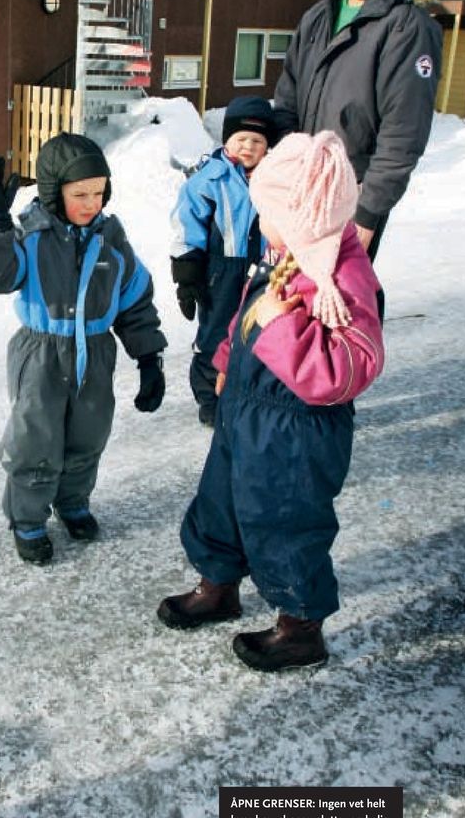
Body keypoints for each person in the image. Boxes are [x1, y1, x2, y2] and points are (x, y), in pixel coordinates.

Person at [157, 131, 384, 671]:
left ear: (306, 216)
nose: (261, 225)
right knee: (222, 501)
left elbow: (348, 368)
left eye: (269, 213)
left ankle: (300, 624)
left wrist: (284, 329)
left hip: (296, 431)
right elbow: (248, 315)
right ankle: (218, 585)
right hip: (245, 408)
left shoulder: (343, 280)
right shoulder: (285, 255)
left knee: (284, 519)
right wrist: (223, 364)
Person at [0, 134, 167, 565]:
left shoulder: (112, 240)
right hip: (41, 354)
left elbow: (134, 299)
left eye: (98, 192)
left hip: (95, 351)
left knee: (87, 436)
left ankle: (73, 501)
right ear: (56, 193)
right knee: (36, 439)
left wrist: (149, 358)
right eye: (80, 194)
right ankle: (28, 519)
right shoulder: (31, 237)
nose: (92, 202)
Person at [274, 0, 443, 264]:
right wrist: (287, 169)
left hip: (354, 193)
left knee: (342, 302)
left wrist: (368, 213)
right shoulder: (318, 17)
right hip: (302, 190)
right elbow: (287, 98)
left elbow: (403, 132)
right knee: (291, 303)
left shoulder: (407, 28)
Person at [170, 96, 276, 427]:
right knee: (216, 334)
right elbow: (187, 225)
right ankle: (209, 398)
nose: (248, 146)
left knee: (260, 333)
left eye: (257, 141)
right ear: (226, 138)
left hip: (264, 272)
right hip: (221, 272)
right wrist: (187, 274)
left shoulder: (275, 179)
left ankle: (251, 395)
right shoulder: (208, 179)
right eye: (241, 138)